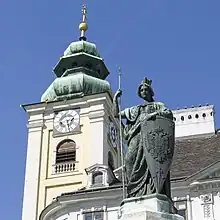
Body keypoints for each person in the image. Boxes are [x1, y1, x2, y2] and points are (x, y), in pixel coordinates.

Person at [113, 77, 173, 198]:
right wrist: (115, 99)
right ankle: (134, 191)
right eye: (141, 90)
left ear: (150, 92)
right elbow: (116, 114)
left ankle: (150, 190)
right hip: (136, 137)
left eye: (146, 90)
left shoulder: (158, 105)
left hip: (151, 138)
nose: (144, 92)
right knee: (129, 160)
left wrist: (154, 114)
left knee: (151, 163)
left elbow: (168, 113)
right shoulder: (135, 110)